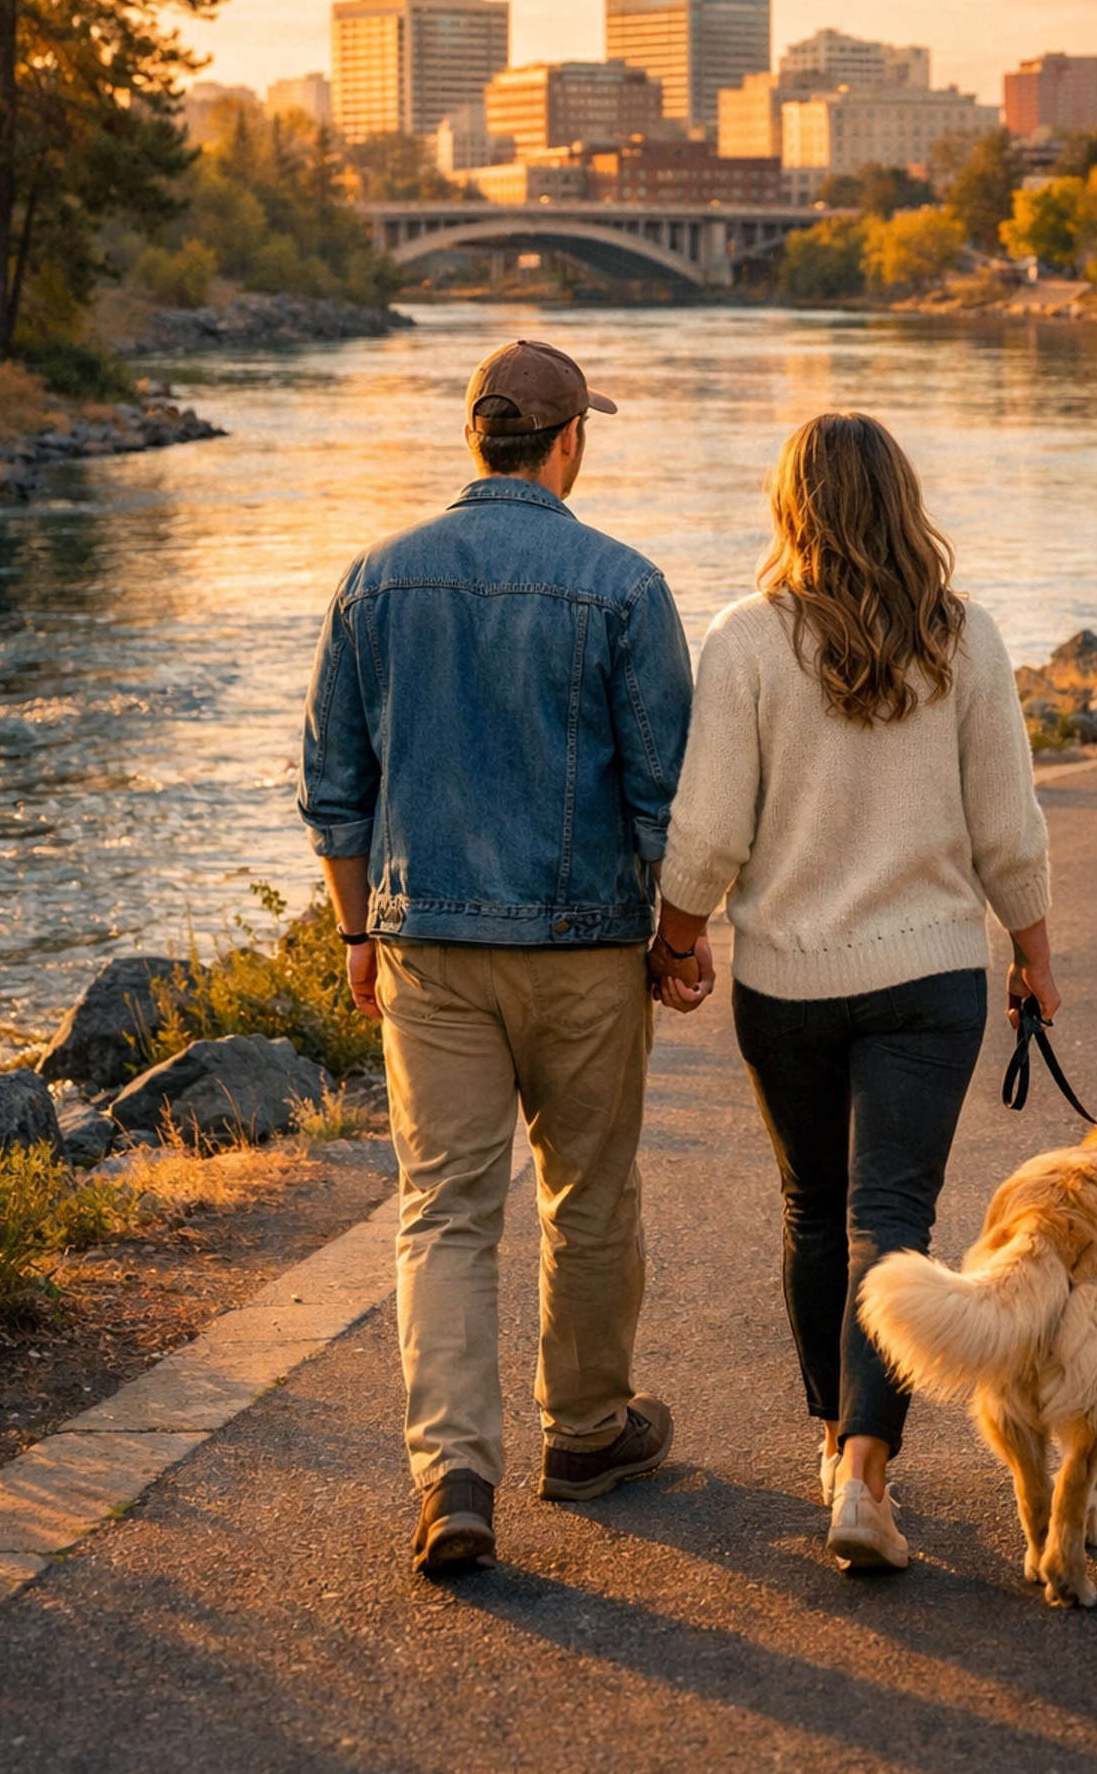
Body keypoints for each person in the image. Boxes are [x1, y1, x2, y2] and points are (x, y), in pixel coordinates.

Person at [298, 338, 709, 1576]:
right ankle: (585, 1434)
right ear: (569, 441)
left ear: (474, 438)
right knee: (590, 1195)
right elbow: (667, 799)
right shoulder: (625, 586)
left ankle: (454, 1477)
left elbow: (334, 790)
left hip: (427, 949)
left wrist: (357, 931)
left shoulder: (376, 582)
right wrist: (679, 939)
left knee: (444, 1212)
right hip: (586, 949)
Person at [650, 412, 1058, 1573]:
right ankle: (869, 1479)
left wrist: (676, 941)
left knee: (811, 1210)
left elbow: (709, 830)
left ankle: (837, 1447)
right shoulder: (964, 640)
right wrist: (1035, 954)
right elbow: (1007, 826)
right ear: (902, 499)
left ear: (793, 507)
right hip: (933, 978)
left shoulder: (744, 641)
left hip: (787, 981)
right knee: (893, 1217)